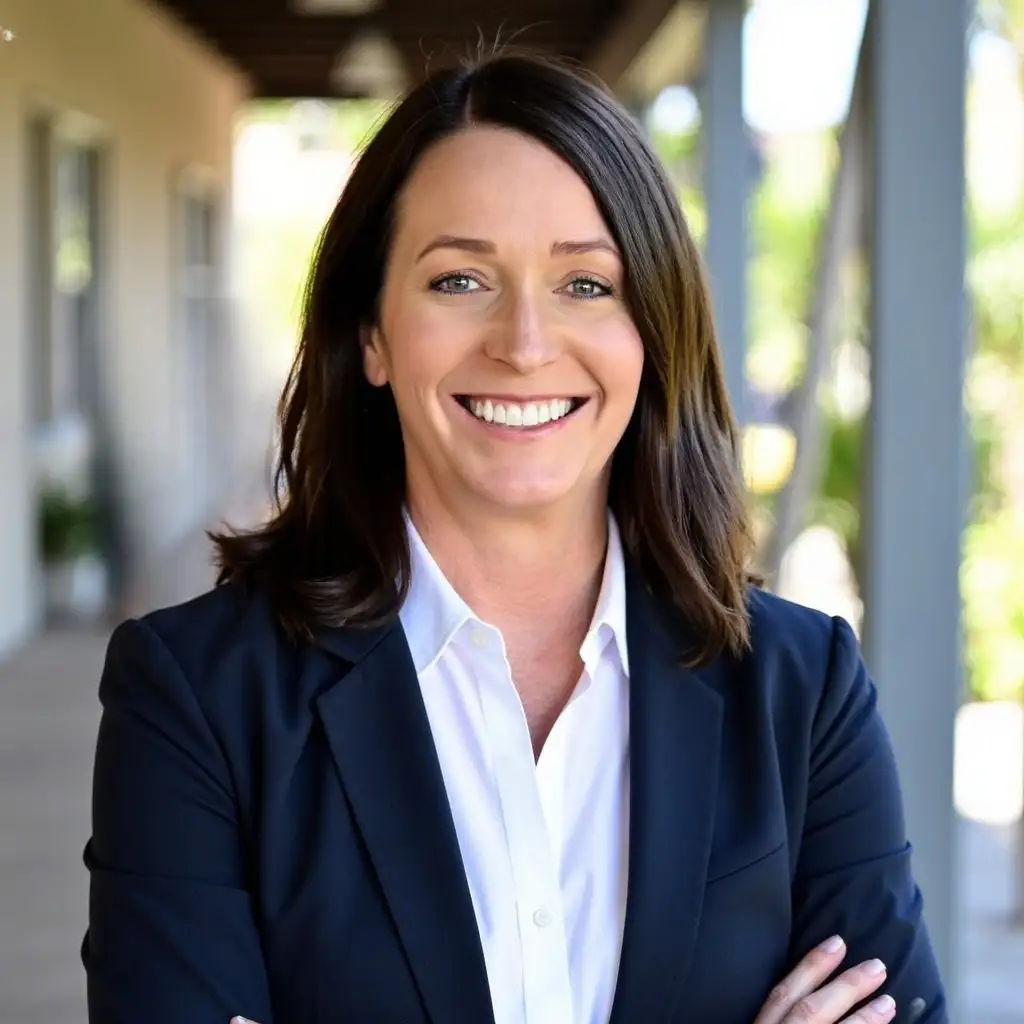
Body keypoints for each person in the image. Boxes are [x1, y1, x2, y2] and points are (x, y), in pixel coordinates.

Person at [81, 51, 947, 1024]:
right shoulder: (196, 696)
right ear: (371, 332)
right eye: (458, 279)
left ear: (651, 330)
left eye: (585, 283)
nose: (525, 342)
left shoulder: (801, 690)